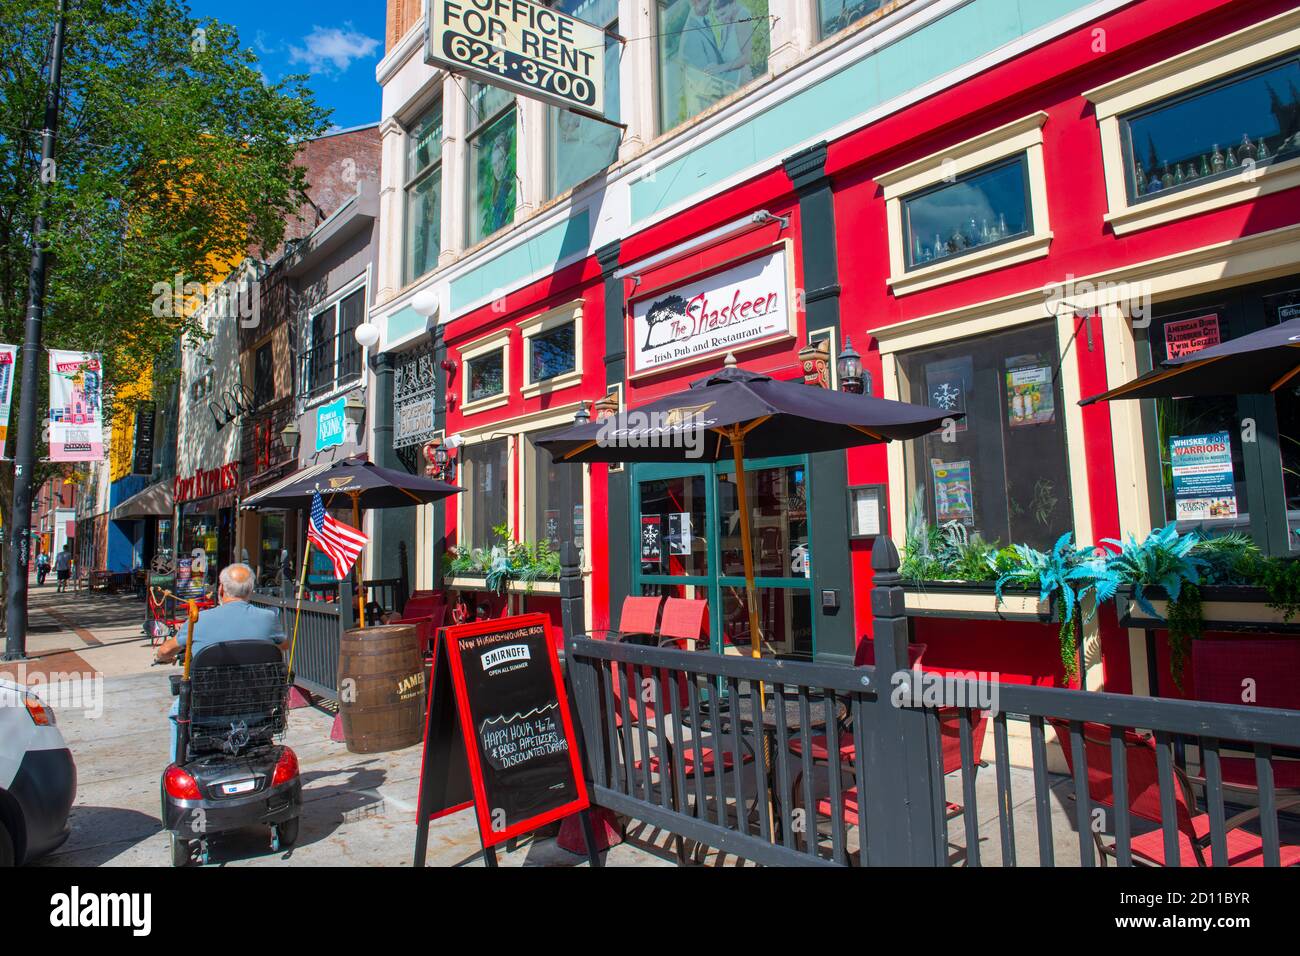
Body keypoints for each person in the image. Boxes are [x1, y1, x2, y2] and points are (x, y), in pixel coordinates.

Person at [154, 563, 286, 760]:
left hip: (206, 713)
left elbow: (165, 650)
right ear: (251, 590)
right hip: (257, 710)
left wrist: (160, 657)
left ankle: (178, 763)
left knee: (176, 712)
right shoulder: (268, 619)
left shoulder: (199, 620)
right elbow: (283, 646)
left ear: (221, 589)